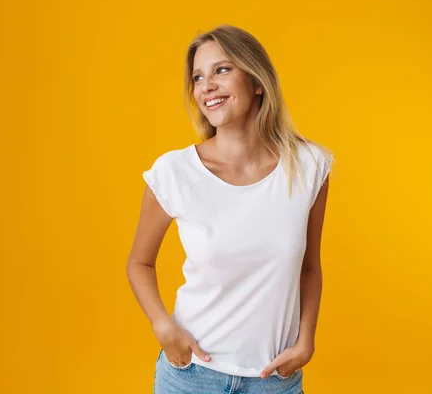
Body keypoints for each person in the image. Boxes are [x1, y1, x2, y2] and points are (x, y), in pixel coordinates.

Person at [126, 24, 334, 394]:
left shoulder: (308, 167)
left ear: (257, 81)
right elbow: (139, 263)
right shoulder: (175, 172)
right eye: (198, 77)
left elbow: (309, 267)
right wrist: (163, 326)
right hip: (191, 376)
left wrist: (306, 343)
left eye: (222, 70)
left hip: (274, 381)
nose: (206, 86)